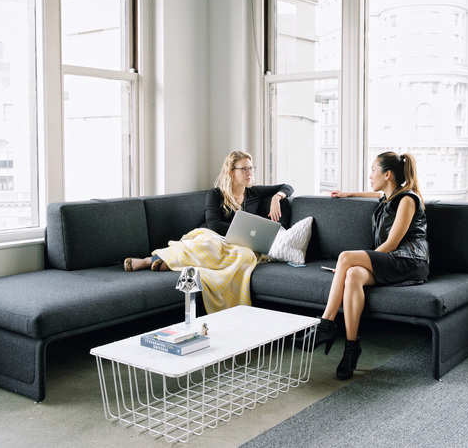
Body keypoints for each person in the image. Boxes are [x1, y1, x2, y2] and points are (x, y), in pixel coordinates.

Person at [301, 151, 428, 380]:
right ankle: (351, 347)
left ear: (387, 174)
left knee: (346, 258)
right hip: (392, 261)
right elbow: (375, 193)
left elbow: (391, 244)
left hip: (410, 261)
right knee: (353, 275)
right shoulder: (388, 197)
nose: (370, 175)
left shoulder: (407, 200)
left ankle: (326, 324)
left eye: (373, 170)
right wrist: (349, 193)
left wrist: (366, 259)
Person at [123, 150, 293, 272]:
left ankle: (170, 263)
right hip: (210, 234)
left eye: (251, 168)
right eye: (244, 169)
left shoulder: (254, 192)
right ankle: (148, 261)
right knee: (209, 245)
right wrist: (241, 233)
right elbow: (214, 224)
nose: (250, 173)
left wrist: (277, 197)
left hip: (237, 242)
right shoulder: (215, 194)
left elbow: (287, 186)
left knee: (245, 255)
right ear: (231, 172)